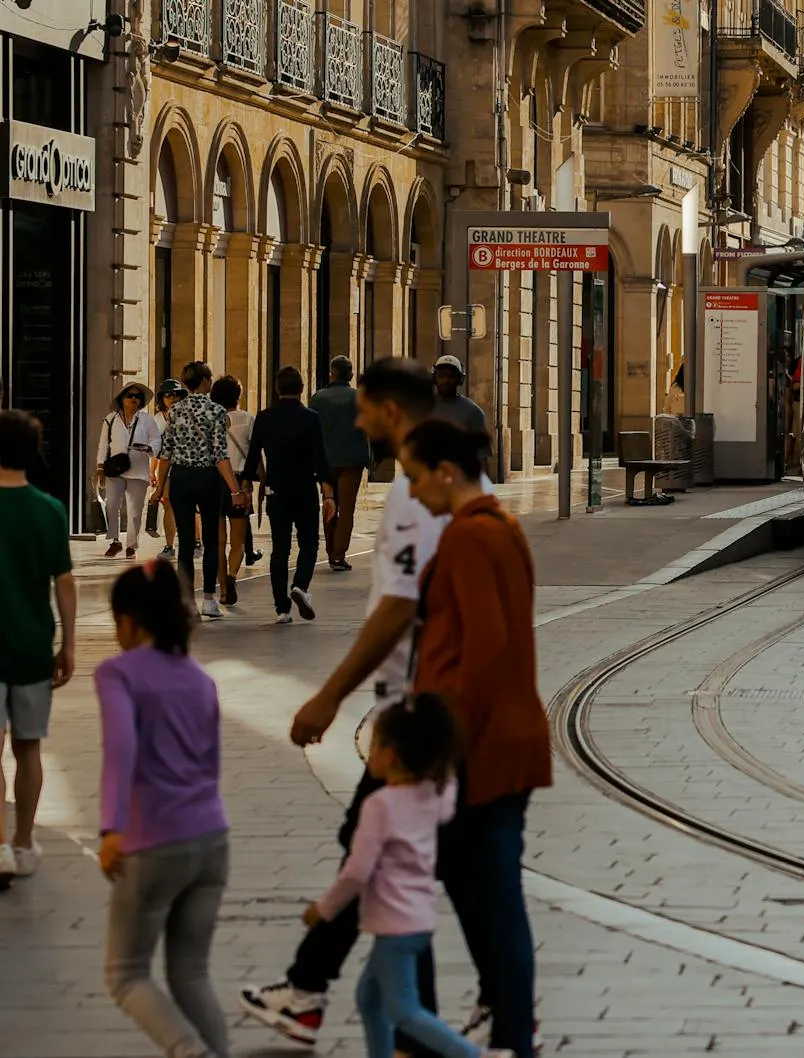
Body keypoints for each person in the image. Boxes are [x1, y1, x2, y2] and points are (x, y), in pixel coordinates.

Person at [245, 357, 469, 1050]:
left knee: (381, 849)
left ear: (391, 413)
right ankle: (385, 1021)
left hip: (417, 702)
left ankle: (317, 996)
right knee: (394, 858)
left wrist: (328, 695)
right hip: (423, 698)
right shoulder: (438, 478)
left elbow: (401, 607)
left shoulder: (414, 490)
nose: (357, 420)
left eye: (365, 410)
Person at [400, 418, 552, 1052]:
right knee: (478, 888)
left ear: (444, 471)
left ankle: (496, 1030)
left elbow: (483, 649)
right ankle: (499, 1024)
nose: (409, 493)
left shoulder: (467, 539)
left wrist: (443, 748)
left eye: (411, 478)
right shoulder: (506, 529)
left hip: (477, 747)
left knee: (477, 891)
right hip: (505, 738)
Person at [306, 695, 510, 1058]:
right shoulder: (434, 795)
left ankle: (475, 1056)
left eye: (375, 745)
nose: (369, 754)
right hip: (418, 920)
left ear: (394, 754)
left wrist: (324, 910)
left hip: (393, 925)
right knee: (368, 998)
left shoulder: (379, 806)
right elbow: (449, 791)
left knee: (404, 1010)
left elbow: (357, 871)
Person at [96, 559, 230, 1058]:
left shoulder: (118, 673)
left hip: (154, 839)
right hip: (212, 838)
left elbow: (120, 747)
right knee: (192, 974)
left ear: (130, 621)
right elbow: (212, 762)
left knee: (125, 974)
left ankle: (191, 1052)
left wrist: (112, 828)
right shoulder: (199, 678)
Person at [0, 410, 77, 886]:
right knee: (29, 751)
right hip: (31, 646)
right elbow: (64, 583)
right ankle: (23, 843)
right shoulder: (49, 509)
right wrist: (68, 644)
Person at [151, 361, 247, 619]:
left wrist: (160, 487)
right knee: (210, 541)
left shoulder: (174, 411)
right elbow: (220, 455)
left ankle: (187, 602)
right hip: (207, 478)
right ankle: (208, 599)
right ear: (204, 381)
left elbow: (166, 452)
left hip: (180, 478)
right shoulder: (216, 411)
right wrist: (235, 489)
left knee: (184, 543)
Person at [244, 365, 338, 625]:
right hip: (305, 489)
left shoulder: (263, 418)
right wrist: (328, 494)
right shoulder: (311, 418)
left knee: (280, 550)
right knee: (309, 543)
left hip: (276, 491)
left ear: (277, 389)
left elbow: (252, 458)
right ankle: (300, 586)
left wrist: (245, 486)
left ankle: (281, 608)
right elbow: (320, 458)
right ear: (302, 389)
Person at [313, 356, 372, 572]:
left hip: (326, 462)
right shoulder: (359, 398)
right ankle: (339, 554)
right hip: (352, 460)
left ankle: (330, 551)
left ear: (332, 373)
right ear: (350, 375)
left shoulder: (318, 398)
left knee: (329, 504)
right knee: (347, 510)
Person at [95, 384, 160, 560]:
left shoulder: (147, 420)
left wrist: (148, 448)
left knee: (135, 510)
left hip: (138, 471)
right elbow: (103, 444)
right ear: (122, 398)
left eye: (137, 396)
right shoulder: (111, 419)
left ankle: (131, 545)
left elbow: (156, 440)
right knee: (111, 505)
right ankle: (115, 541)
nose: (133, 399)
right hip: (115, 469)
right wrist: (100, 466)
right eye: (130, 395)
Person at [211, 375, 260, 608]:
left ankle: (222, 590)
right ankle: (231, 577)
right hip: (239, 482)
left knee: (219, 542)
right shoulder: (248, 419)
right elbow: (255, 454)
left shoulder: (211, 419)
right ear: (237, 396)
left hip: (215, 482)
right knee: (237, 541)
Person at [430, 356, 492, 479]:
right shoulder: (421, 408)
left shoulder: (473, 412)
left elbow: (481, 456)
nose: (446, 380)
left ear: (460, 379)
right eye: (441, 376)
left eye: (451, 376)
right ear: (434, 378)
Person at [153, 380, 187, 559]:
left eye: (175, 394)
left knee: (191, 505)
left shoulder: (187, 414)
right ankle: (169, 545)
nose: (172, 398)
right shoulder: (158, 419)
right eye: (168, 395)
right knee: (168, 505)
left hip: (186, 465)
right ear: (161, 398)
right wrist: (153, 471)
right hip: (166, 466)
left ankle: (196, 541)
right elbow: (157, 448)